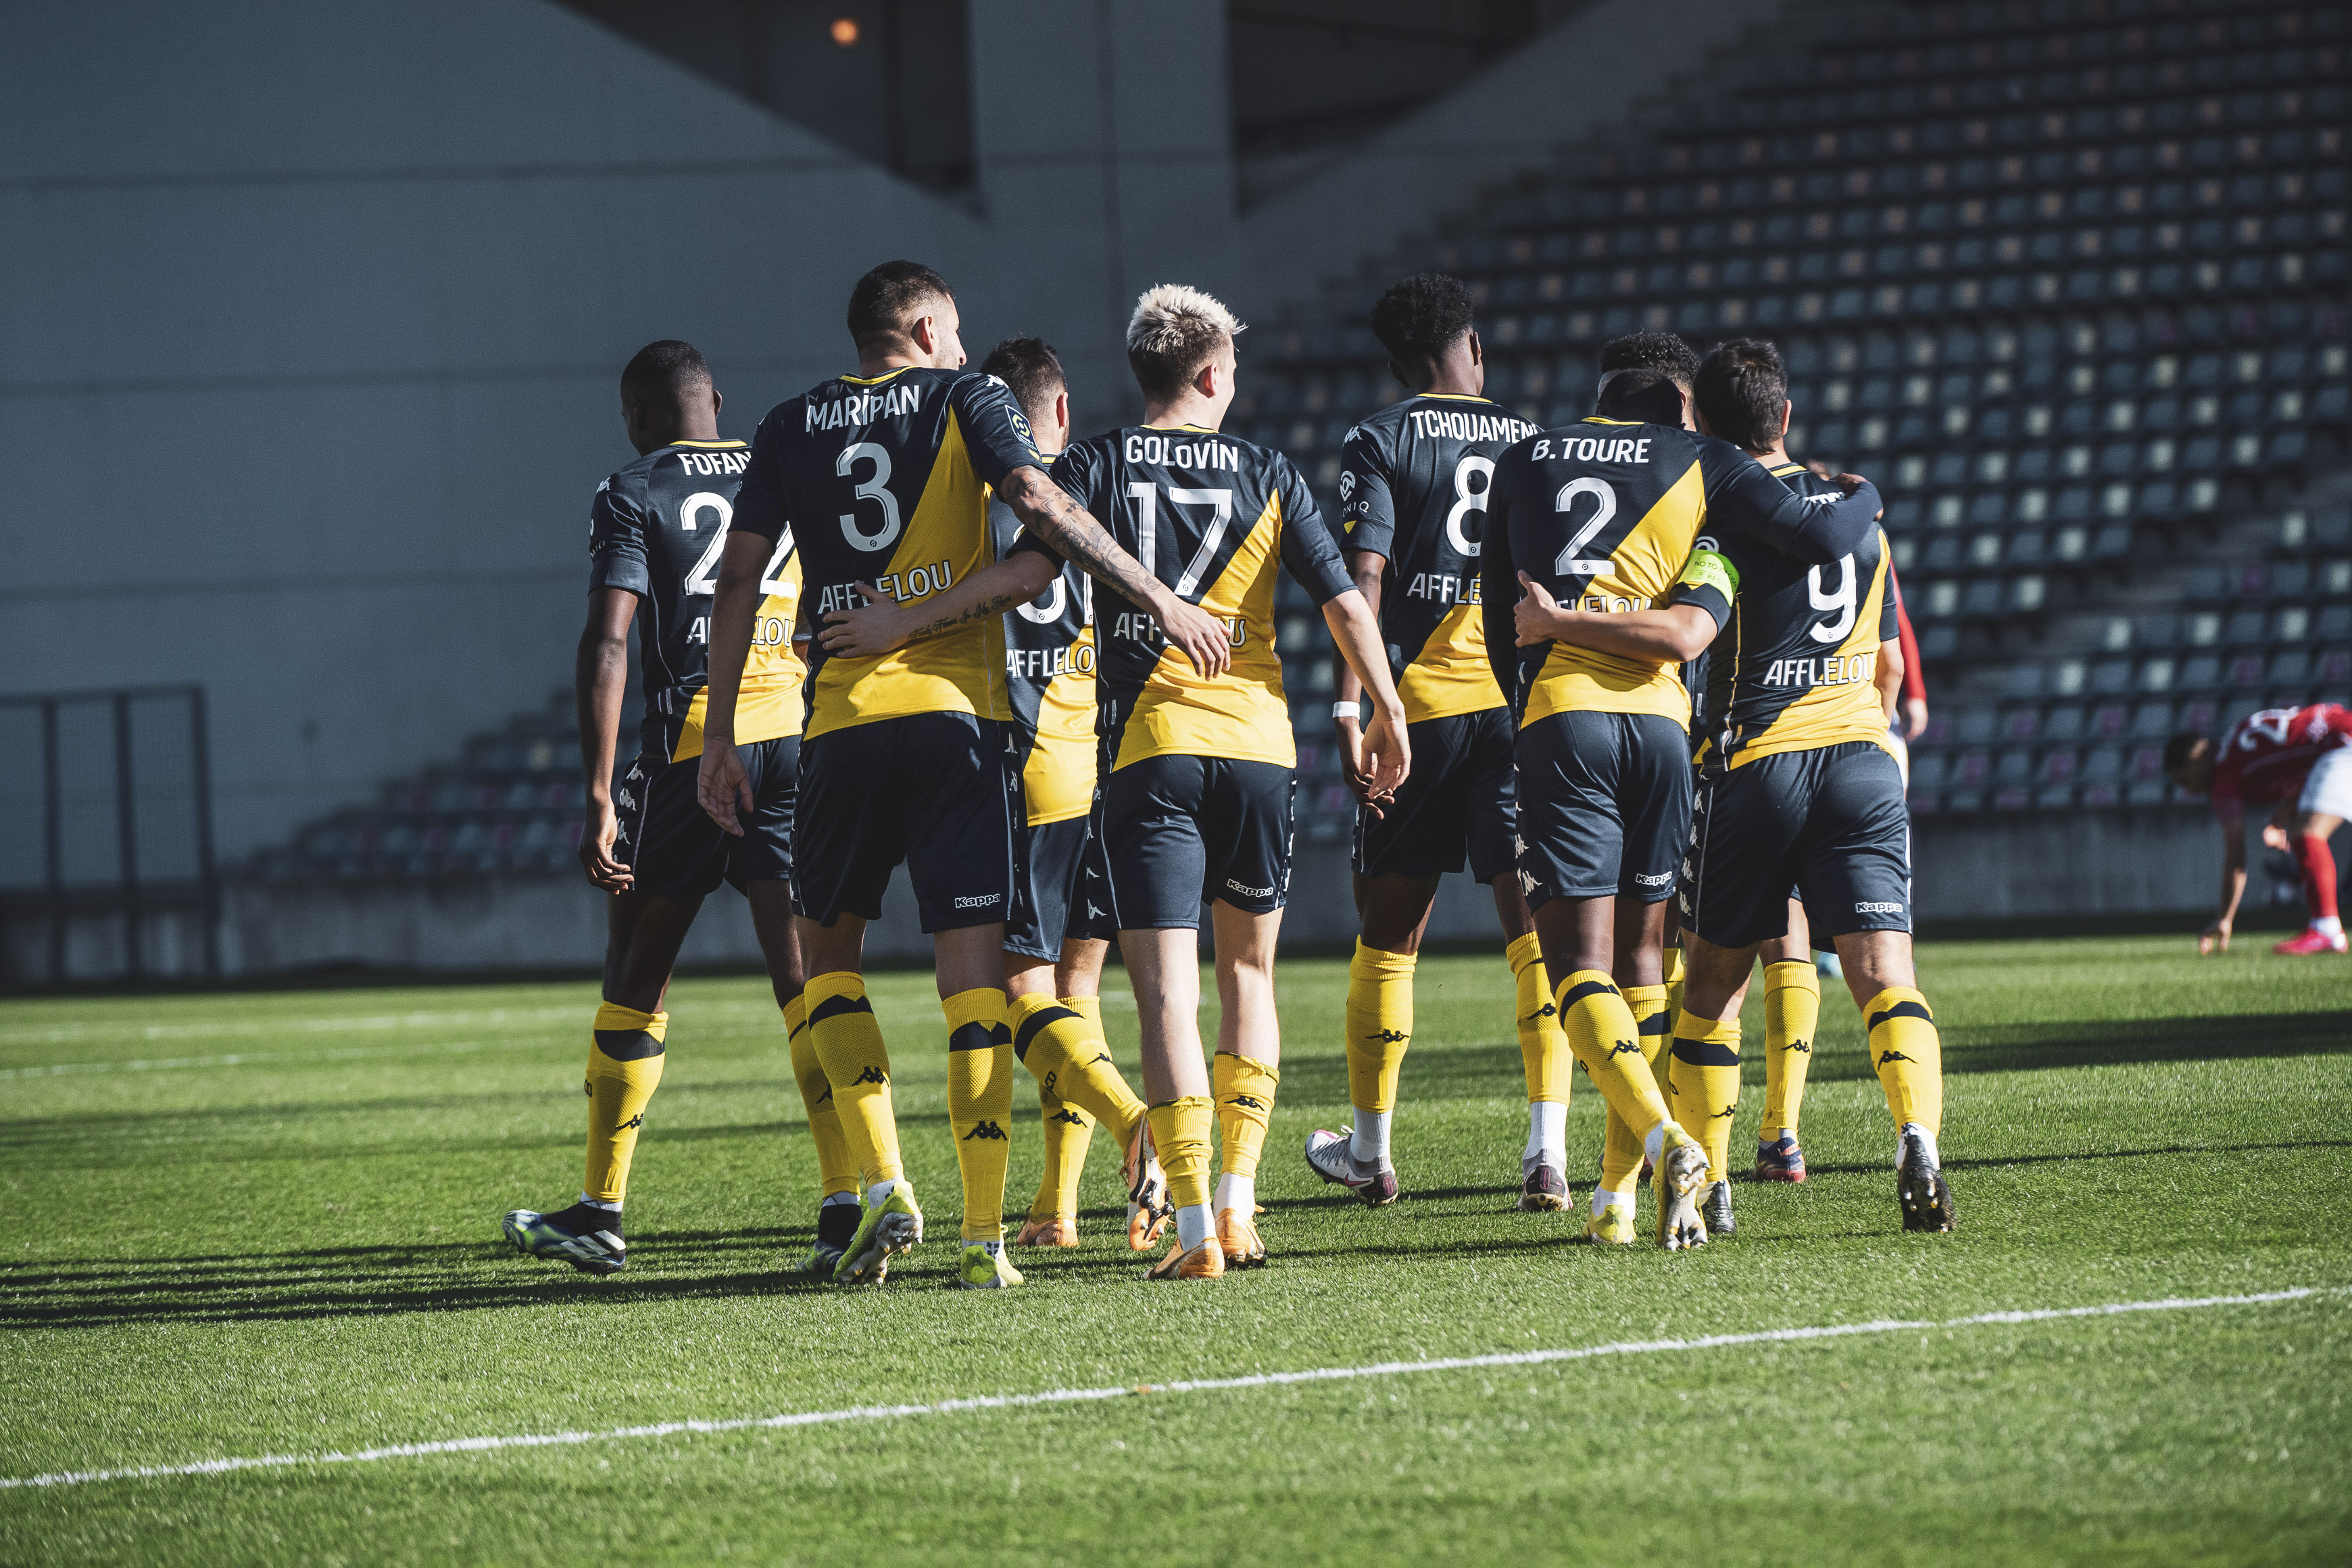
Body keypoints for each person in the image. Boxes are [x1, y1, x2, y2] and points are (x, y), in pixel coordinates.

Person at [827, 285, 1410, 1280]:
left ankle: (1191, 1234)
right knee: (1251, 978)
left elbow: (1017, 581)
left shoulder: (1094, 461)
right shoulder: (1269, 470)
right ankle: (1238, 1205)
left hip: (1150, 754)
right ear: (1215, 373)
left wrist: (899, 623)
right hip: (1263, 750)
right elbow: (1348, 604)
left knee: (1164, 997)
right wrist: (1386, 712)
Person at [699, 262, 1229, 1290]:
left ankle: (888, 1183)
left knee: (831, 963)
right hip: (962, 730)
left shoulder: (784, 425)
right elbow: (1036, 501)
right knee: (976, 984)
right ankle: (986, 1241)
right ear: (926, 324)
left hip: (843, 725)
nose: (959, 346)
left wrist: (720, 731)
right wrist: (1160, 597)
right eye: (952, 330)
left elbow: (736, 580)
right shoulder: (967, 397)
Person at [1484, 360, 1884, 1249]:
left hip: (1565, 715)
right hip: (1666, 730)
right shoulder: (1701, 460)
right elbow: (1819, 537)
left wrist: (1524, 708)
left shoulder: (1528, 455)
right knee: (1644, 968)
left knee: (1576, 971)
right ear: (1678, 404)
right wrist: (1869, 495)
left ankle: (1669, 1147)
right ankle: (1616, 1201)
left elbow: (1492, 612)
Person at [504, 341, 856, 1277]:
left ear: (638, 415)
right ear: (717, 402)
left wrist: (594, 792)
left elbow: (609, 641)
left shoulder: (633, 489)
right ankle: (844, 1201)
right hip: (794, 738)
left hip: (695, 750)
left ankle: (601, 1210)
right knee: (805, 980)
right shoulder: (782, 467)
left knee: (635, 972)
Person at [1302, 273, 1563, 1214]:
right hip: (1521, 713)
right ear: (1475, 349)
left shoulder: (1382, 436)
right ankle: (1547, 1153)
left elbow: (1360, 583)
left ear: (1400, 365)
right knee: (1535, 935)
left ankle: (1371, 1155)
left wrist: (1356, 711)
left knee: (1389, 936)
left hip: (1417, 710)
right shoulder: (1534, 442)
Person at [974, 336, 1168, 1254]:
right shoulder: (1097, 508)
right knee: (1079, 985)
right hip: (1104, 767)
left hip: (1023, 778)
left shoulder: (982, 508)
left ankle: (1138, 1124)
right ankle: (1056, 1206)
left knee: (1020, 995)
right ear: (1058, 412)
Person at [2165, 703, 2352, 956]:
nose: (2189, 790)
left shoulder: (2225, 774)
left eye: (2185, 779)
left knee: (2307, 834)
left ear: (2196, 758)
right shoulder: (2235, 745)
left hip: (2342, 743)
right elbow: (2302, 763)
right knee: (2302, 830)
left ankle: (2327, 930)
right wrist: (2280, 817)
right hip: (2338, 737)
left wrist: (2225, 917)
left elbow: (2236, 859)